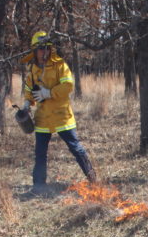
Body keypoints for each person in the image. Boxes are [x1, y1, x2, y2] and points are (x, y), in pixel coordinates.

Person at [17, 31, 96, 193]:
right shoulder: (32, 69)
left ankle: (93, 180)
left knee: (76, 148)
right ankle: (38, 186)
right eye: (40, 49)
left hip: (62, 116)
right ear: (34, 50)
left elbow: (68, 86)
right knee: (40, 153)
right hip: (43, 118)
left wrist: (49, 93)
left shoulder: (60, 65)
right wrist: (26, 103)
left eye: (46, 48)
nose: (44, 52)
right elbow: (29, 89)